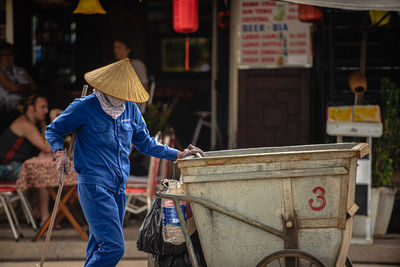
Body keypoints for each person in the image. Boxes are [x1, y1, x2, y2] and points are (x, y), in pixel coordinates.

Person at [45, 58, 204, 267]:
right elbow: (54, 130)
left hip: (119, 185)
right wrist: (60, 153)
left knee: (98, 246)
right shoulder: (84, 107)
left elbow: (146, 143)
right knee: (113, 247)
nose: (124, 98)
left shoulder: (130, 110)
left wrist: (179, 155)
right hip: (94, 184)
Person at [0, 94, 59, 227]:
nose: (46, 110)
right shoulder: (25, 124)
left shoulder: (36, 124)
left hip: (15, 165)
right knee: (41, 174)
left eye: (47, 107)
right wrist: (54, 122)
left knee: (48, 172)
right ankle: (45, 218)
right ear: (31, 108)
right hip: (4, 167)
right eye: (42, 107)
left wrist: (46, 124)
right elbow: (47, 147)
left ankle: (38, 210)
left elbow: (45, 144)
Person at [0, 42, 37, 111]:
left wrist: (20, 88)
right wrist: (28, 87)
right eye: (4, 54)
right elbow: (14, 88)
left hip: (25, 105)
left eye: (10, 54)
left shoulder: (20, 70)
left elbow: (34, 87)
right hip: (6, 108)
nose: (8, 57)